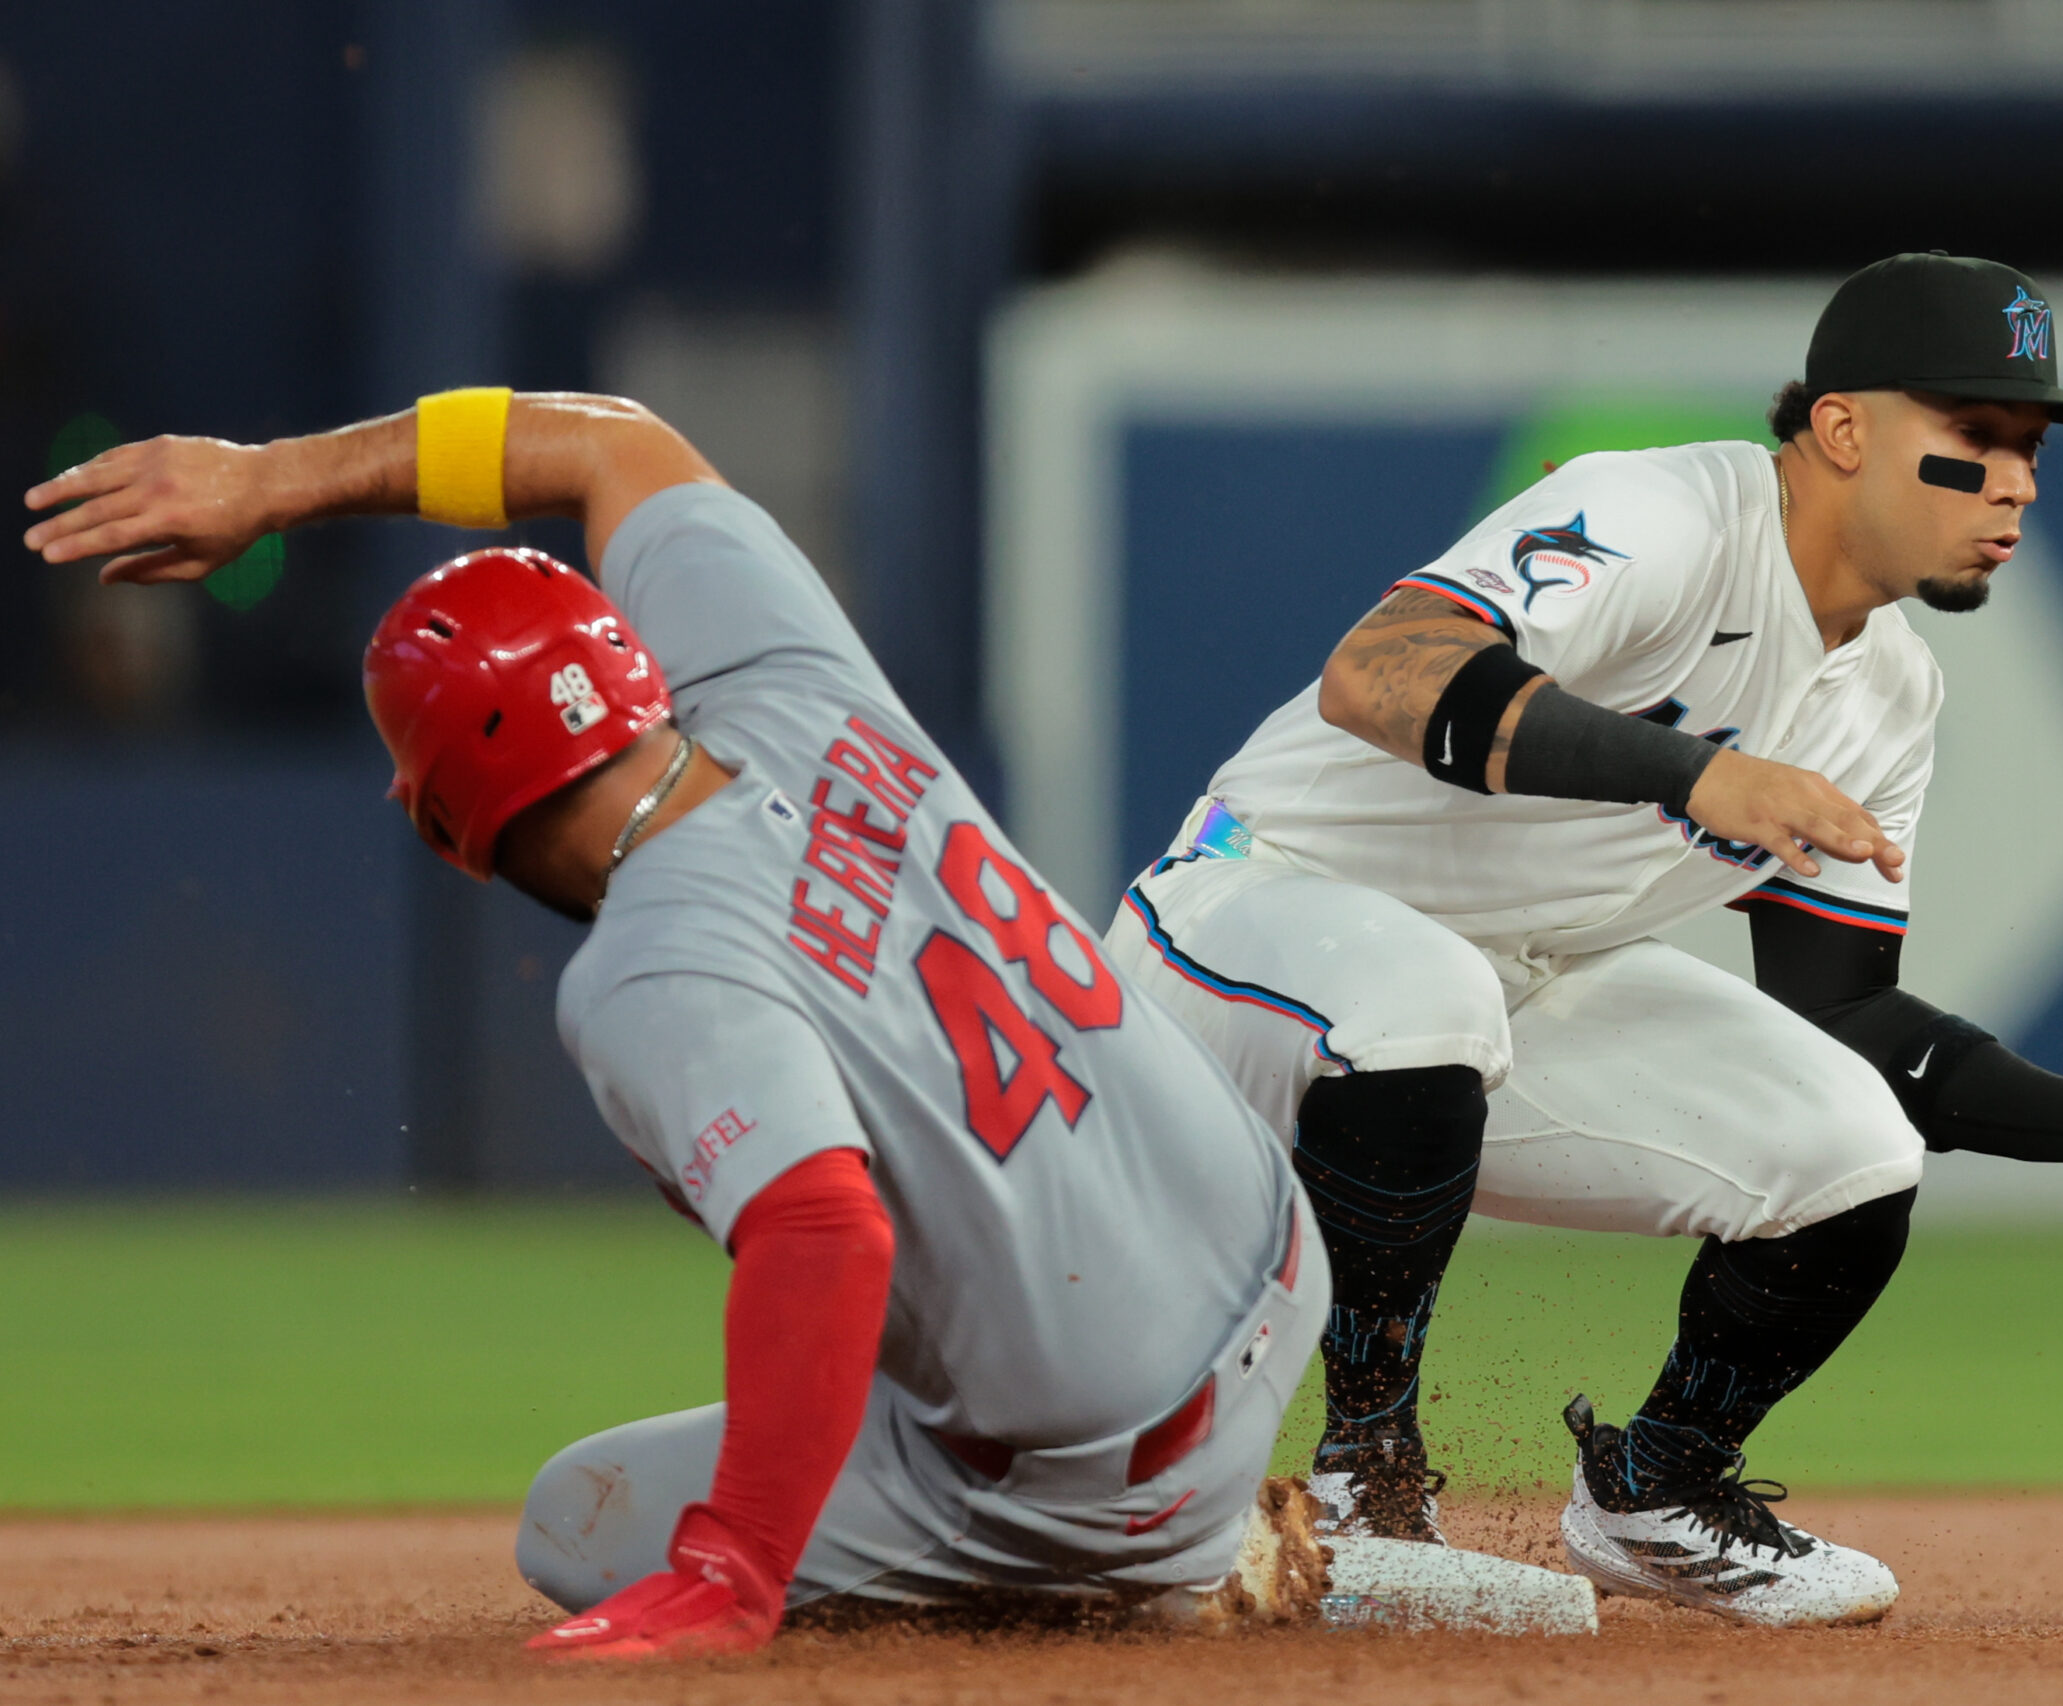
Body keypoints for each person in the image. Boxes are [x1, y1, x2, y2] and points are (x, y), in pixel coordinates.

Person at [24, 388, 1326, 1659]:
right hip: (1274, 1251)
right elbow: (609, 443)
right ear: (627, 665)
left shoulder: (651, 961)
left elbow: (824, 1229)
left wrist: (736, 1563)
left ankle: (1164, 1570)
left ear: (442, 827)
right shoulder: (782, 671)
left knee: (579, 1517)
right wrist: (270, 482)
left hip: (1118, 1469)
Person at [1101, 253, 2063, 1626]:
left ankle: (1659, 1485)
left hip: (1487, 1004)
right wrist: (1691, 773)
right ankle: (1365, 1481)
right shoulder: (1661, 512)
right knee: (1429, 994)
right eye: (1975, 439)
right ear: (1842, 429)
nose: (2017, 483)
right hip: (1237, 925)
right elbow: (1379, 668)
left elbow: (1851, 1019)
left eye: (2031, 450)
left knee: (1846, 1138)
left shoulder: (1888, 694)